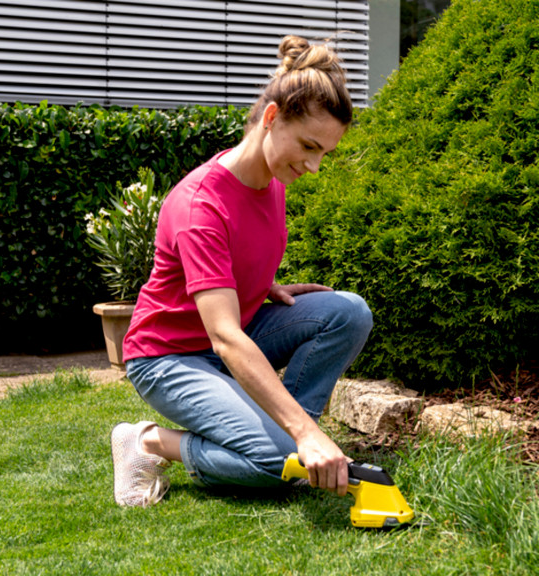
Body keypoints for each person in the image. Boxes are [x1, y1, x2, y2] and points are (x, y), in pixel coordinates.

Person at [111, 35, 373, 508]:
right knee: (280, 463)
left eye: (324, 154)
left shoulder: (270, 179)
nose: (314, 167)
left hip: (232, 329)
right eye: (309, 147)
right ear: (271, 118)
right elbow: (226, 337)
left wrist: (255, 284)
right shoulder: (201, 205)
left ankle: (296, 443)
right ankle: (149, 441)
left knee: (347, 311)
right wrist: (303, 434)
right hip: (168, 357)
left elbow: (232, 255)